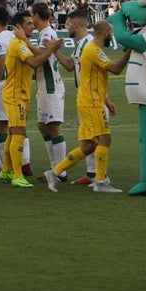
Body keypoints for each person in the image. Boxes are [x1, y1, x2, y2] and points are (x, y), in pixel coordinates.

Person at [44, 20, 130, 193]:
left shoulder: (91, 49)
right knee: (105, 138)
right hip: (91, 102)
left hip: (89, 99)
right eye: (111, 33)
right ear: (105, 33)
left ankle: (54, 172)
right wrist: (130, 51)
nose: (111, 36)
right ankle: (100, 182)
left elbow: (94, 77)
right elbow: (115, 69)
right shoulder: (93, 50)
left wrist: (106, 100)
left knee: (90, 145)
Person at [1, 12, 60, 188]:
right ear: (18, 27)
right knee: (19, 133)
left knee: (13, 133)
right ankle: (17, 175)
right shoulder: (19, 44)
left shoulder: (20, 44)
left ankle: (6, 170)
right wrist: (50, 49)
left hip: (20, 94)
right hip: (15, 95)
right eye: (28, 24)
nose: (32, 26)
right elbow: (35, 63)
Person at [31, 3, 75, 177]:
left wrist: (24, 43)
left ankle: (60, 171)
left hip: (51, 86)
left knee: (54, 127)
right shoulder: (44, 33)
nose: (31, 19)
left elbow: (41, 56)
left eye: (31, 15)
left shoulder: (47, 33)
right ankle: (54, 167)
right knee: (43, 126)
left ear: (37, 15)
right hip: (43, 85)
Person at [0, 6, 28, 175]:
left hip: (5, 85)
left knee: (2, 125)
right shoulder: (12, 36)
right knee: (17, 125)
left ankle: (7, 167)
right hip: (19, 83)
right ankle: (25, 163)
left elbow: (1, 65)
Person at [67, 10, 97, 184]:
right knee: (88, 136)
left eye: (68, 24)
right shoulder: (80, 44)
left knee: (96, 136)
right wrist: (53, 51)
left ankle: (100, 175)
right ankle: (92, 173)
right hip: (84, 95)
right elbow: (70, 66)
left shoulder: (90, 44)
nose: (67, 27)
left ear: (75, 25)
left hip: (93, 96)